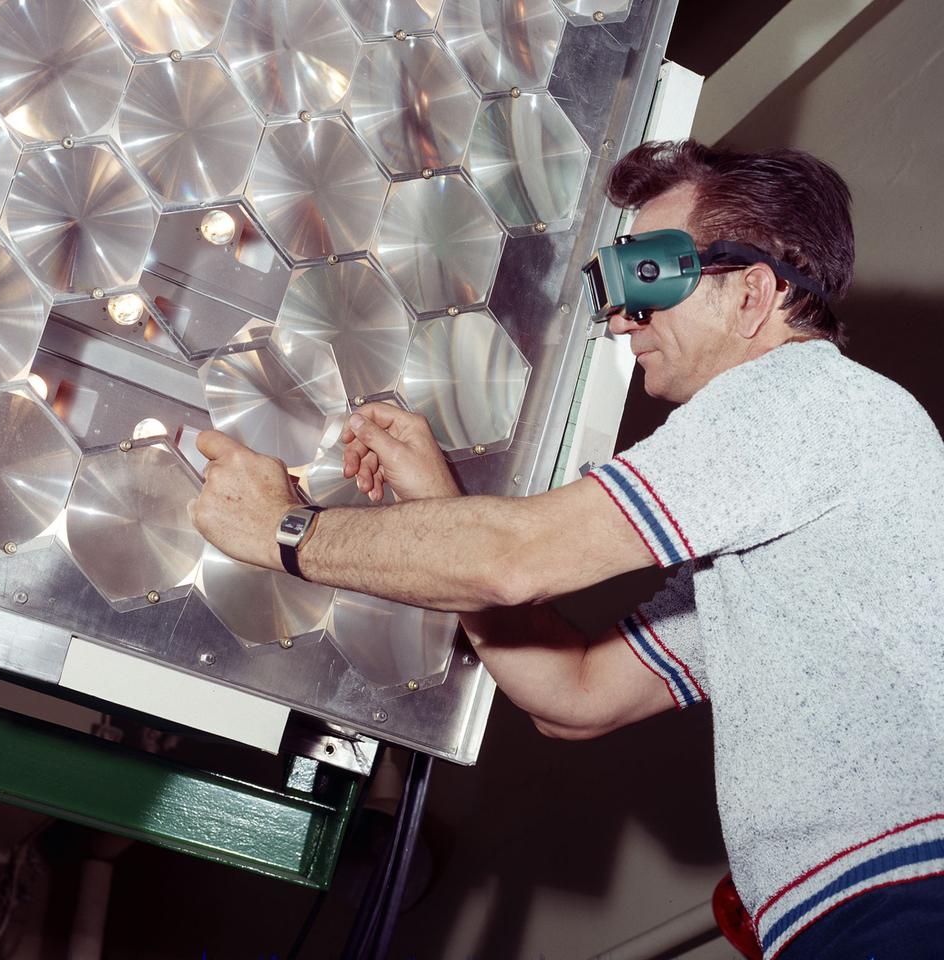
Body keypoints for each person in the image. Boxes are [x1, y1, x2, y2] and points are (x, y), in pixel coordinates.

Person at [191, 140, 944, 959]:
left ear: (752, 293)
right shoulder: (772, 537)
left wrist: (281, 529)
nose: (620, 319)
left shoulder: (801, 399)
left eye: (646, 279)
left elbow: (515, 560)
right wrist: (439, 504)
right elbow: (575, 696)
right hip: (847, 916)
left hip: (903, 902)